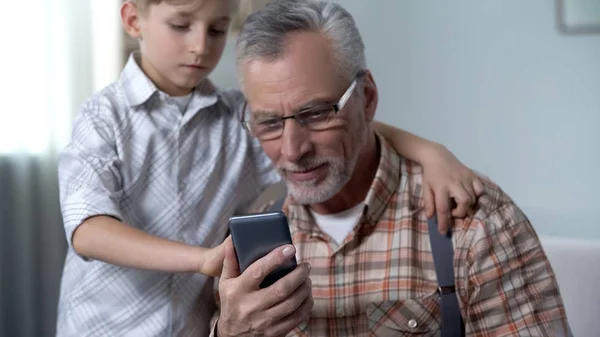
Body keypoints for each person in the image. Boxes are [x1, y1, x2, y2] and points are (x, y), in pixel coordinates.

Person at [55, 0, 484, 336]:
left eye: (218, 29)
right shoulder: (101, 119)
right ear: (133, 19)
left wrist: (431, 152)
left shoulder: (238, 121)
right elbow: (88, 231)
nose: (201, 45)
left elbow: (332, 121)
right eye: (181, 25)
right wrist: (202, 259)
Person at [211, 0, 572, 336]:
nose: (292, 150)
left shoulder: (475, 225)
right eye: (270, 122)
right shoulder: (253, 238)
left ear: (367, 98)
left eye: (316, 114)